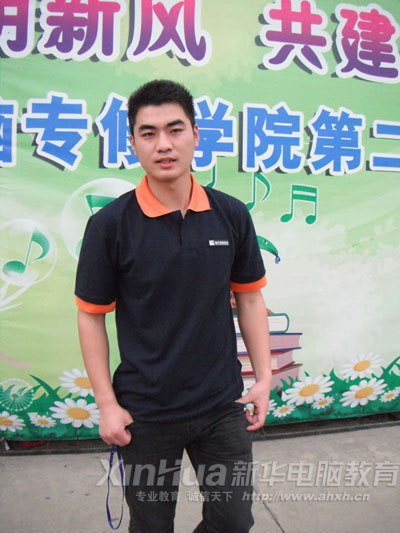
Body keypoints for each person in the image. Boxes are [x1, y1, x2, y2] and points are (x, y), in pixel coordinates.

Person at [75, 79, 271, 533]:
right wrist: (107, 404)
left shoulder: (231, 214)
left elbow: (250, 297)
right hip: (146, 412)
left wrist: (263, 378)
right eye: (148, 133)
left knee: (233, 521)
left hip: (221, 404)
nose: (163, 144)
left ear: (195, 135)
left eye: (175, 129)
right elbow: (90, 316)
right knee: (151, 524)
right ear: (132, 143)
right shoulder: (109, 226)